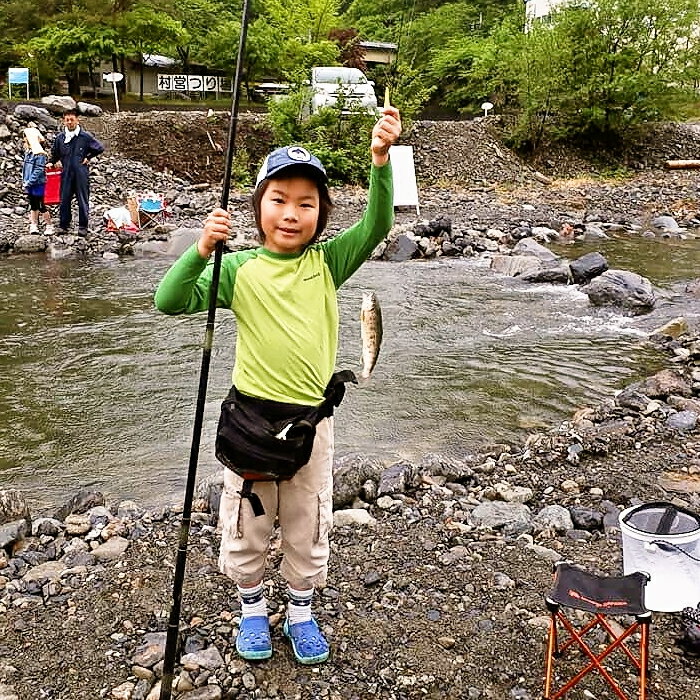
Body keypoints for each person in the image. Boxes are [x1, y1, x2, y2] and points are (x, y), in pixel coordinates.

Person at [154, 106, 402, 665]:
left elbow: (379, 226)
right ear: (258, 207)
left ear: (320, 215)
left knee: (307, 518)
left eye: (306, 203)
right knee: (246, 519)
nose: (291, 213)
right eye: (278, 199)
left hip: (313, 421)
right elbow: (167, 301)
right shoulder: (236, 268)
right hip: (249, 421)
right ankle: (249, 608)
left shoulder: (329, 263)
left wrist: (380, 160)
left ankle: (300, 609)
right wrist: (199, 251)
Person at [48, 108, 104, 236]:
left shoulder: (85, 136)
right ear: (64, 121)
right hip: (66, 173)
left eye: (71, 120)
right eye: (67, 120)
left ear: (77, 120)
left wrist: (88, 157)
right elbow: (55, 154)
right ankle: (64, 225)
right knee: (64, 199)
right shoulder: (60, 138)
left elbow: (100, 148)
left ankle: (83, 226)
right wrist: (51, 162)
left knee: (82, 200)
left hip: (81, 173)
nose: (69, 122)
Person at [21, 126, 54, 235]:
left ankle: (49, 225)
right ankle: (34, 225)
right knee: (33, 204)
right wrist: (25, 181)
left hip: (38, 184)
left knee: (41, 205)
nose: (24, 139)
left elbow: (39, 170)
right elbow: (26, 169)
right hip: (30, 183)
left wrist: (29, 182)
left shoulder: (40, 154)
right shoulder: (28, 152)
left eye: (25, 137)